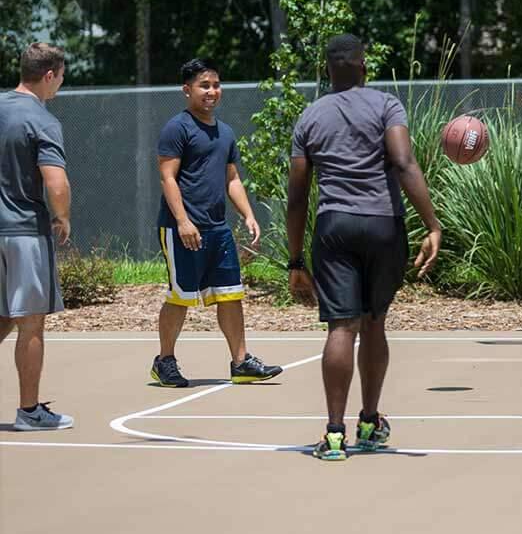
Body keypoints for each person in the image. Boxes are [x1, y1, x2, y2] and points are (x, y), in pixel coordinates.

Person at [287, 34, 441, 461]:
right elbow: (404, 162)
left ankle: (334, 435)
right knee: (374, 322)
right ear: (363, 66)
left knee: (342, 327)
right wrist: (432, 223)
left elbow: (297, 195)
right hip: (383, 224)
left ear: (328, 70)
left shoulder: (310, 117)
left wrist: (296, 259)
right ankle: (370, 422)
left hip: (334, 226)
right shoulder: (386, 105)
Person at [150, 59, 282, 388]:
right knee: (180, 297)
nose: (211, 91)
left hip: (218, 229)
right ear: (187, 90)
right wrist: (182, 221)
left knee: (230, 295)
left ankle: (241, 363)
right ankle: (164, 361)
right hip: (181, 229)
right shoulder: (177, 128)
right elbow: (167, 178)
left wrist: (248, 215)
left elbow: (233, 179)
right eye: (204, 85)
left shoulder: (225, 132)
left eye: (216, 85)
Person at [0, 43, 75, 431]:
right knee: (31, 322)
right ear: (49, 75)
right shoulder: (41, 119)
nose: (60, 85)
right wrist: (62, 218)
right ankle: (29, 412)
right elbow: (55, 180)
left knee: (2, 318)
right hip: (24, 232)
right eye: (60, 78)